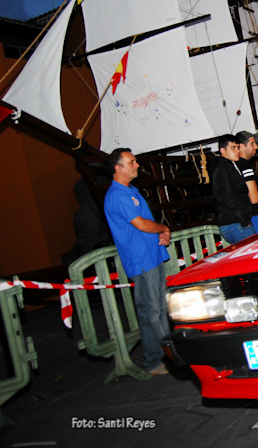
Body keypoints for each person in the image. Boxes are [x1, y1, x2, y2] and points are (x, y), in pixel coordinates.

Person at [103, 148, 171, 375]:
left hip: (151, 255)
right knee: (152, 311)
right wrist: (163, 228)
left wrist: (160, 232)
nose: (137, 165)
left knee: (158, 308)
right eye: (131, 162)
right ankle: (159, 359)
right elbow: (141, 224)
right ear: (118, 168)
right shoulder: (118, 195)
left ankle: (162, 357)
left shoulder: (130, 191)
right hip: (141, 259)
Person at [210, 134, 256, 244]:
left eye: (238, 147)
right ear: (223, 150)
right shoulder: (224, 168)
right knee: (253, 251)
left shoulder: (228, 166)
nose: (237, 151)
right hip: (235, 222)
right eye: (233, 148)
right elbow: (228, 197)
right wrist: (243, 220)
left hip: (234, 222)